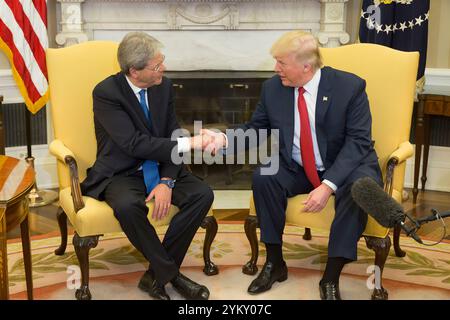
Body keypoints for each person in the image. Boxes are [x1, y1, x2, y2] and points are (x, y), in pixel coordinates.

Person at [202, 31, 383, 300]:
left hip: (347, 165)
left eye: (281, 63)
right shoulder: (273, 88)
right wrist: (223, 138)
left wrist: (327, 185)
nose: (276, 69)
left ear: (306, 66)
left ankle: (330, 277)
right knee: (265, 175)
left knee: (358, 189)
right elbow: (256, 129)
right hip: (297, 165)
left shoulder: (349, 87)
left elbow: (358, 142)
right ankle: (275, 263)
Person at [80, 31, 214, 300]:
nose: (162, 68)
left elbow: (171, 133)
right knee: (128, 207)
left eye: (161, 61)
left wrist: (166, 181)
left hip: (163, 164)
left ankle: (155, 275)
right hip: (121, 171)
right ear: (134, 71)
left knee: (202, 195)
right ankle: (171, 275)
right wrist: (192, 144)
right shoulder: (106, 93)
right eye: (156, 66)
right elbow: (134, 144)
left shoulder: (163, 86)